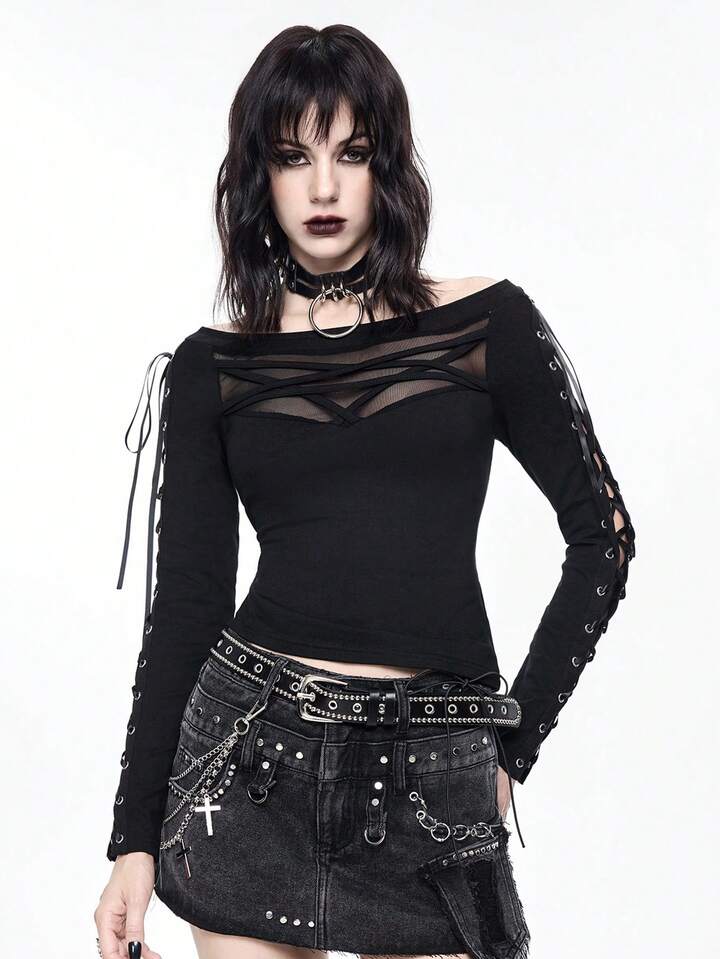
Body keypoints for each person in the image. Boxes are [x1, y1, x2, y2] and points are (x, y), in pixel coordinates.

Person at [94, 23, 636, 959]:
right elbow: (184, 608)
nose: (323, 188)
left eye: (351, 153)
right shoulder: (213, 368)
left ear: (387, 167)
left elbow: (604, 539)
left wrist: (512, 745)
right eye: (292, 157)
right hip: (251, 760)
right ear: (257, 178)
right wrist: (132, 838)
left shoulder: (485, 324)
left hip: (432, 765)